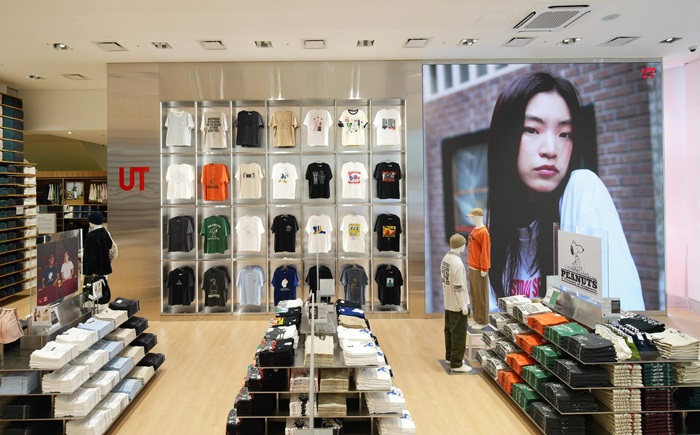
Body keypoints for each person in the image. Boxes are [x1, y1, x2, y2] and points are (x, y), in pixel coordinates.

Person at [486, 71, 644, 310]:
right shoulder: (496, 231)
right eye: (532, 130)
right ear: (504, 138)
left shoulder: (581, 190)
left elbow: (620, 313)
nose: (551, 150)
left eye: (565, 134)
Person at [441, 234, 472, 373]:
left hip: (448, 302)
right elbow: (458, 287)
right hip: (457, 304)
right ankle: (457, 363)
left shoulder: (446, 259)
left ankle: (449, 356)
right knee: (459, 334)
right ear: (461, 245)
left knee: (449, 331)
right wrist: (463, 305)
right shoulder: (458, 264)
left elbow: (444, 281)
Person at [83, 212, 115, 277]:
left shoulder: (91, 237)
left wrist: (88, 272)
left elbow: (90, 255)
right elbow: (109, 246)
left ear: (92, 222)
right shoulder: (106, 233)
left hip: (95, 269)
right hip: (105, 266)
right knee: (103, 282)